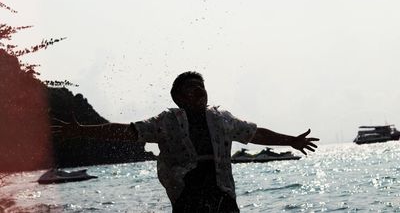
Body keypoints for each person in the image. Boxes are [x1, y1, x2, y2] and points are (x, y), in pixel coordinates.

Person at [55, 71, 319, 212]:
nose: (198, 90)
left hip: (221, 193)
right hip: (187, 195)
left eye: (200, 85)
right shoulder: (167, 122)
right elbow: (127, 131)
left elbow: (255, 133)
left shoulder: (221, 119)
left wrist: (291, 141)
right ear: (178, 98)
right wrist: (82, 131)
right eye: (190, 87)